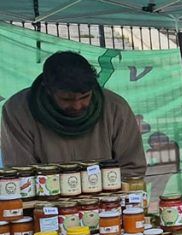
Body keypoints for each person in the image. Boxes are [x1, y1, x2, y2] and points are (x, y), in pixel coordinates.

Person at [1, 51, 146, 175]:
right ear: (48, 89)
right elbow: (21, 173)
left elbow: (132, 167)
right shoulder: (17, 111)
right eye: (66, 99)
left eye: (85, 97)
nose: (77, 106)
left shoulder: (116, 108)